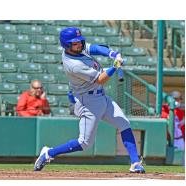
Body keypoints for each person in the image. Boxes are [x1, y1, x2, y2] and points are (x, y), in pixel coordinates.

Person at [34, 27, 145, 173]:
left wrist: (113, 53)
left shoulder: (77, 49)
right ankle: (49, 153)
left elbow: (94, 48)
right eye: (75, 43)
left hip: (101, 97)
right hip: (88, 103)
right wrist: (114, 66)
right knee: (84, 143)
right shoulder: (73, 65)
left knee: (124, 124)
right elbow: (100, 79)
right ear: (67, 45)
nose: (79, 44)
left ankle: (135, 162)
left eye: (79, 41)